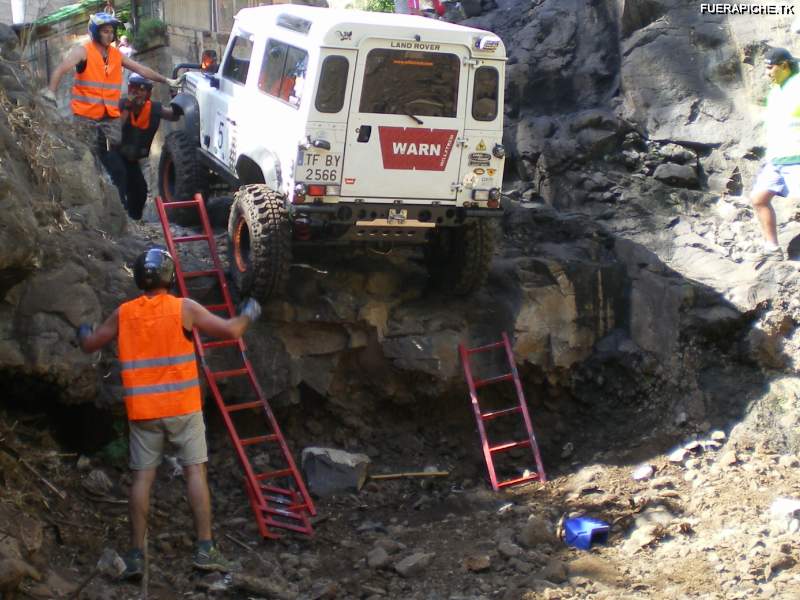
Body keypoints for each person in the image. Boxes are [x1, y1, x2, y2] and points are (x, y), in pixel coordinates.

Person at [77, 248, 262, 579]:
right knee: (194, 473)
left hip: (143, 411)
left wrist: (82, 332)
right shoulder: (184, 308)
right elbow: (232, 331)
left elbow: (91, 344)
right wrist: (249, 312)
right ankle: (205, 549)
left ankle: (136, 555)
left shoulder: (124, 313)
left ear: (138, 278)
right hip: (183, 408)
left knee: (142, 479)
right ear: (170, 277)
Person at [41, 13, 179, 207]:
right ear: (96, 32)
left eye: (112, 31)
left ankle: (118, 209)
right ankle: (94, 204)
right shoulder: (83, 51)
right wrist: (50, 93)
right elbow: (60, 69)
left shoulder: (115, 55)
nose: (110, 35)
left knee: (117, 169)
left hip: (109, 121)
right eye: (105, 31)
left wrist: (166, 80)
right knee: (87, 163)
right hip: (86, 119)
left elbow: (141, 69)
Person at [750, 47, 800, 264]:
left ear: (784, 65)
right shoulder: (775, 91)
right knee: (758, 199)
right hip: (776, 159)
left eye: (770, 67)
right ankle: (772, 248)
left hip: (797, 157)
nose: (767, 72)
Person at [115, 74, 179, 220]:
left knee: (140, 191)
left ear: (148, 93)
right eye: (135, 89)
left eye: (143, 90)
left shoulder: (155, 108)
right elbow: (115, 130)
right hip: (116, 155)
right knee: (119, 185)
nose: (138, 93)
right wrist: (127, 108)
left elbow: (173, 116)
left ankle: (134, 221)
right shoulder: (121, 105)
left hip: (133, 160)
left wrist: (176, 97)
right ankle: (121, 219)